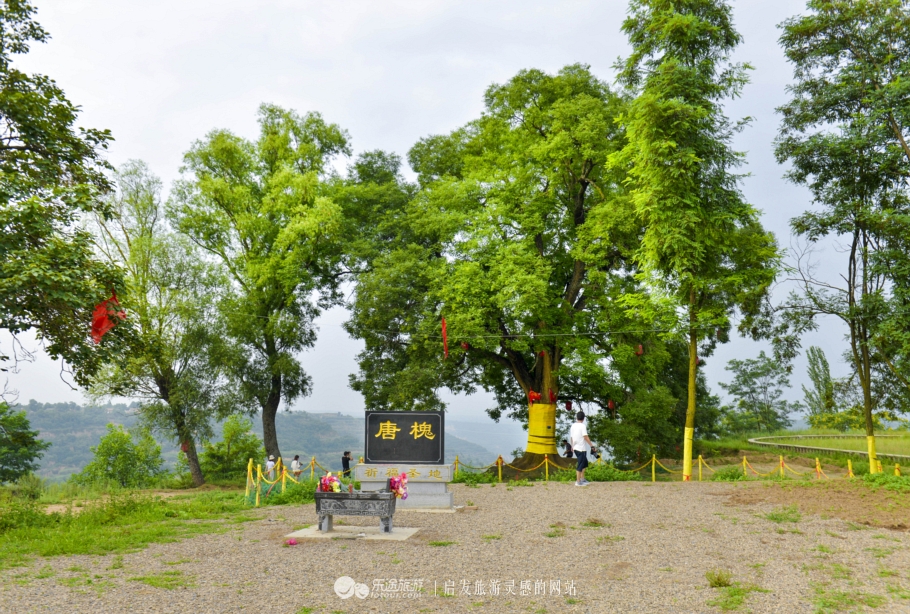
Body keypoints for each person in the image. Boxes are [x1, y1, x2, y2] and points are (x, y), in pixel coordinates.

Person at [569, 411, 595, 487]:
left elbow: (572, 437)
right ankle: (578, 481)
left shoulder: (573, 426)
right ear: (583, 419)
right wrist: (591, 445)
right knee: (581, 464)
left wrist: (572, 446)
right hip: (581, 449)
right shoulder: (582, 426)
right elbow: (585, 437)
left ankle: (582, 479)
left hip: (576, 447)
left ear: (577, 418)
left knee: (584, 463)